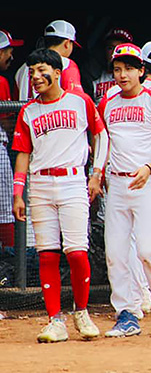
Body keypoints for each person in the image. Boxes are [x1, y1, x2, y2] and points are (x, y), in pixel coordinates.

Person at [12, 48, 103, 342]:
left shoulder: (80, 101)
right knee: (47, 254)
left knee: (76, 252)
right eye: (32, 72)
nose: (36, 77)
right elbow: (23, 153)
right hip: (40, 184)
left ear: (57, 72)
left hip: (73, 181)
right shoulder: (29, 111)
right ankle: (55, 320)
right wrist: (17, 193)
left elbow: (100, 135)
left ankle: (82, 311)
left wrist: (96, 174)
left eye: (42, 71)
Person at [97, 43, 151, 337]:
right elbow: (102, 141)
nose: (123, 75)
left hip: (148, 180)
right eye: (118, 69)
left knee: (147, 249)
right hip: (117, 183)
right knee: (116, 253)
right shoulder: (108, 103)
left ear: (142, 71)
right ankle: (127, 313)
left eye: (130, 69)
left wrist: (148, 167)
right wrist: (97, 173)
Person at [14, 20, 84, 100]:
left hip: (27, 111)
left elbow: (13, 103)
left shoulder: (22, 68)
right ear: (67, 43)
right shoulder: (67, 64)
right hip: (56, 111)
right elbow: (77, 99)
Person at [0, 30, 22, 248]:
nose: (11, 56)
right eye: (7, 50)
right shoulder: (1, 81)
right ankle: (8, 261)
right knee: (5, 210)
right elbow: (6, 123)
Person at [90, 28, 134, 103]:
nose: (114, 53)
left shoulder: (136, 77)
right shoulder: (93, 76)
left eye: (120, 49)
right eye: (110, 48)